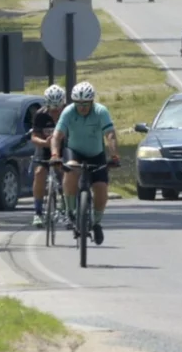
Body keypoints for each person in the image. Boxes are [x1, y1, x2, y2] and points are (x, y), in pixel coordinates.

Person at [50, 82, 120, 245]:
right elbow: (57, 136)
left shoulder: (100, 111)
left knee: (101, 188)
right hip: (75, 151)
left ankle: (96, 222)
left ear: (92, 101)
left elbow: (110, 135)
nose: (82, 107)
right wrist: (54, 154)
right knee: (71, 168)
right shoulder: (68, 111)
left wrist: (114, 156)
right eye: (78, 103)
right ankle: (70, 209)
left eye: (86, 103)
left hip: (96, 153)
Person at [30, 85, 67, 228]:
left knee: (67, 173)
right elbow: (34, 137)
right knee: (39, 173)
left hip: (65, 149)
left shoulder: (69, 113)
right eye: (52, 109)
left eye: (58, 109)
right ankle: (38, 212)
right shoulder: (40, 114)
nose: (55, 113)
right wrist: (44, 143)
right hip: (45, 149)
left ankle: (66, 205)